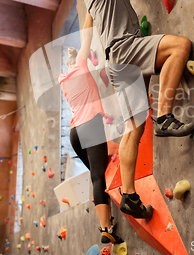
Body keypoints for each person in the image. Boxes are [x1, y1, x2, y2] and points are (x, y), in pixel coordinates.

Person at [82, 0, 194, 220]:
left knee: (134, 128)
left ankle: (129, 195)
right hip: (126, 47)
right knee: (179, 47)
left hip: (117, 60)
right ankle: (165, 117)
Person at [58, 27, 123, 245]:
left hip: (75, 134)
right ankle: (106, 228)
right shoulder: (80, 66)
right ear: (78, 60)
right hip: (88, 127)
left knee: (100, 174)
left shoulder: (64, 82)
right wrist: (89, 9)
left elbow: (86, 103)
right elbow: (87, 36)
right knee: (98, 176)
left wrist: (103, 114)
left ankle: (108, 218)